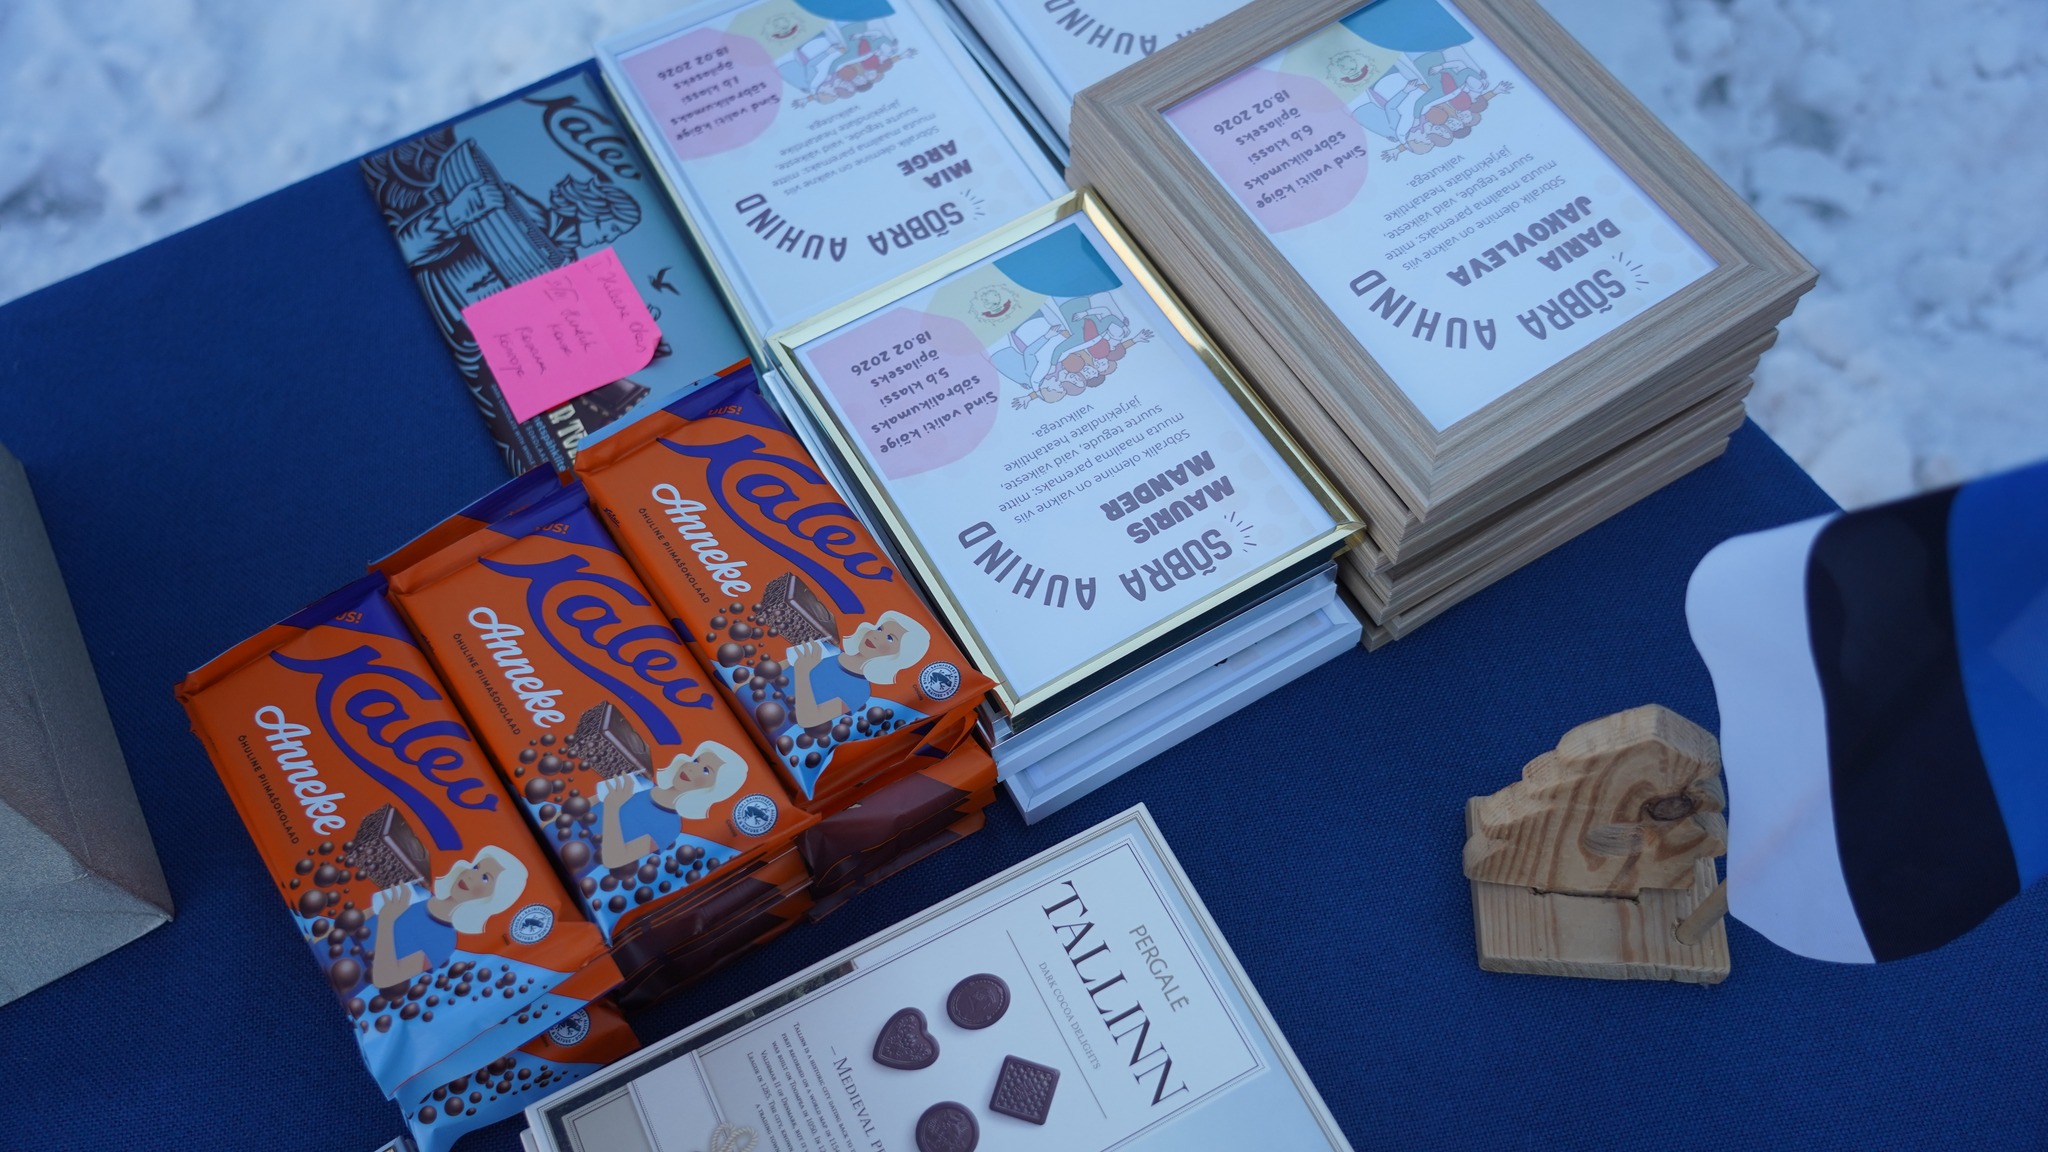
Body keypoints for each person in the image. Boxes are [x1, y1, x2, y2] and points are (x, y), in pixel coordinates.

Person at [368, 847, 529, 989]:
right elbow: (358, 917)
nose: (471, 876)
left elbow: (384, 979)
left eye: (485, 878)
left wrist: (386, 921)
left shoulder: (445, 943)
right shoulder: (417, 892)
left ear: (492, 898)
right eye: (475, 867)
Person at [594, 743, 749, 870]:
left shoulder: (670, 827)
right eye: (696, 761)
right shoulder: (640, 782)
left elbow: (613, 860)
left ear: (713, 788)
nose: (692, 768)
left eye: (706, 771)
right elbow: (585, 803)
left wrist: (612, 808)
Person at [784, 612, 931, 731]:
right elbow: (774, 668)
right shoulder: (827, 649)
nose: (876, 635)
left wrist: (802, 671)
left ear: (898, 655)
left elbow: (807, 719)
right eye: (880, 629)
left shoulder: (860, 691)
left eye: (889, 638)